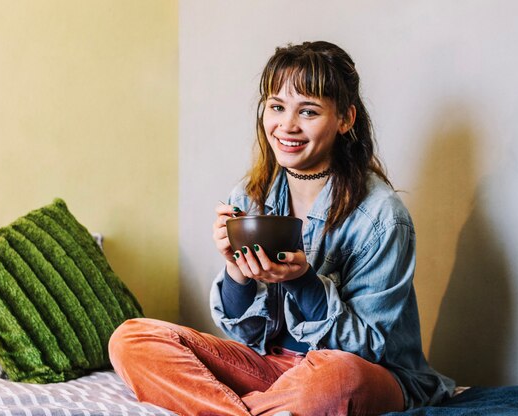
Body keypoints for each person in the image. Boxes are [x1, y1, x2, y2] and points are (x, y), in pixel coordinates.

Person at [109, 41, 455, 416]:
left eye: (308, 111)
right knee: (131, 339)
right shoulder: (250, 196)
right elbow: (245, 336)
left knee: (337, 380)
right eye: (276, 107)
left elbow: (368, 347)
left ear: (345, 119)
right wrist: (235, 272)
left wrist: (302, 282)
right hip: (273, 369)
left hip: (364, 373)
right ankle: (263, 410)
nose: (286, 126)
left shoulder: (381, 216)